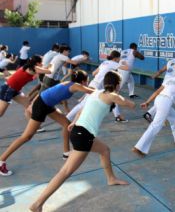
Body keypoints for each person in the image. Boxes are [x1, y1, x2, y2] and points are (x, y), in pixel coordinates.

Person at [29, 71, 135, 212]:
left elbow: (82, 110)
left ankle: (111, 179)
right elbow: (131, 104)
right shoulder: (113, 96)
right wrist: (122, 96)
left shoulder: (96, 93)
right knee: (65, 172)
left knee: (105, 150)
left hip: (78, 131)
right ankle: (37, 204)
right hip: (84, 136)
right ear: (117, 85)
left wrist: (74, 122)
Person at [0, 70, 94, 176]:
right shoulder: (76, 85)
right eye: (88, 80)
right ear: (84, 81)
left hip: (46, 104)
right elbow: (92, 92)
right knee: (26, 136)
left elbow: (56, 94)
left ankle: (66, 153)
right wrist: (109, 91)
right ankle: (1, 160)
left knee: (67, 124)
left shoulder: (68, 83)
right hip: (42, 106)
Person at [132, 64, 175, 157]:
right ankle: (138, 147)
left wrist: (147, 102)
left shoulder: (169, 80)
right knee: (155, 126)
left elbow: (157, 92)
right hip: (166, 102)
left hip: (159, 100)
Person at [66, 50, 129, 123]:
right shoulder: (113, 63)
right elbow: (127, 68)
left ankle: (118, 117)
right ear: (116, 58)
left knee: (113, 98)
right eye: (119, 58)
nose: (119, 60)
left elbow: (93, 73)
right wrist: (124, 62)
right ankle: (68, 118)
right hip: (97, 86)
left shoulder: (104, 63)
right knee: (83, 104)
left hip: (96, 84)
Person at [143, 51, 175, 122]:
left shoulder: (170, 61)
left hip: (166, 81)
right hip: (173, 82)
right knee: (165, 100)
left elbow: (161, 70)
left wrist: (154, 76)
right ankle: (149, 113)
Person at [41, 45, 80, 113]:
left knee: (61, 91)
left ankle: (66, 109)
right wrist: (83, 58)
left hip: (50, 78)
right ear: (64, 51)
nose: (69, 53)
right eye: (68, 51)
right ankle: (35, 107)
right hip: (50, 79)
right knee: (42, 96)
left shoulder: (58, 56)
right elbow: (74, 62)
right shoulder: (63, 56)